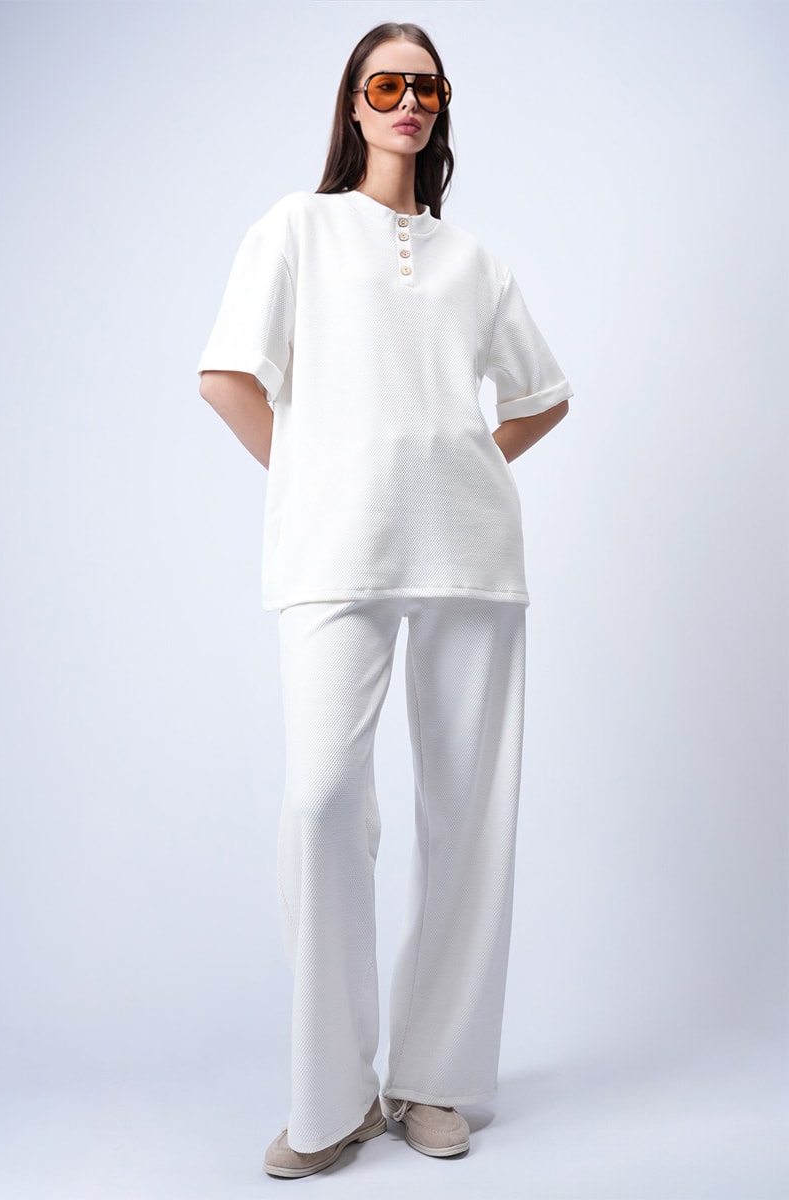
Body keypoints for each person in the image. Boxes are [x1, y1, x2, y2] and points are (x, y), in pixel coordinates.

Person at [197, 20, 572, 1180]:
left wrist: (461, 471)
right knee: (320, 803)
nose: (406, 102)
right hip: (335, 554)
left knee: (467, 815)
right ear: (352, 105)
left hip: (470, 553)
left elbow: (541, 396)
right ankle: (331, 1096)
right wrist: (316, 484)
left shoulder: (473, 260)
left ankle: (433, 1080)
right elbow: (225, 378)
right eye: (385, 85)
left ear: (440, 106)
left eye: (425, 87)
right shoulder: (295, 230)